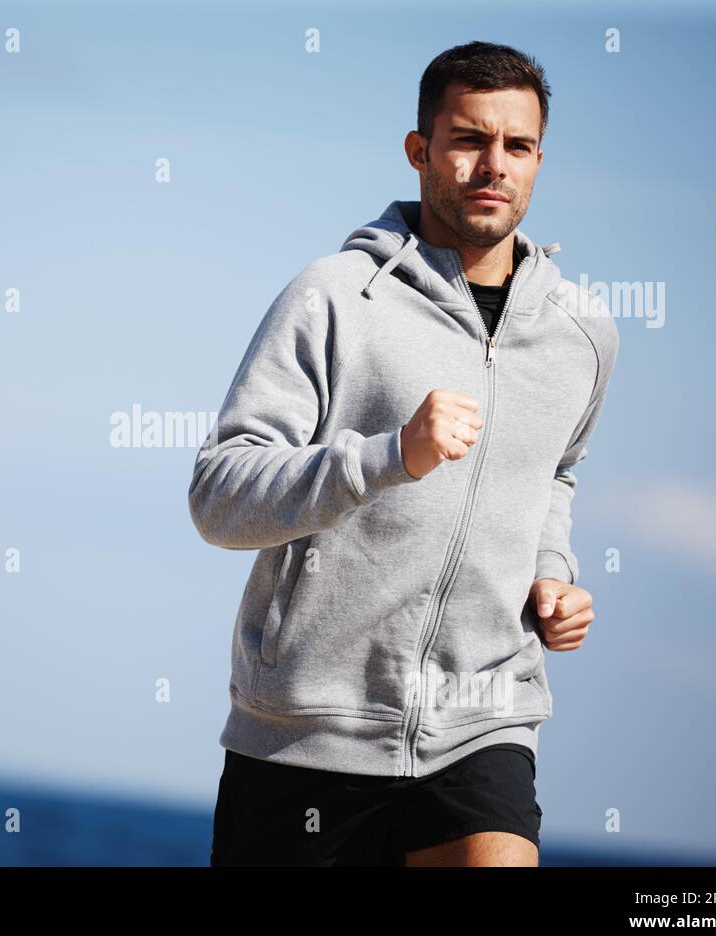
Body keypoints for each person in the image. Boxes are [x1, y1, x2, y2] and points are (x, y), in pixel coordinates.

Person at [189, 40, 619, 866]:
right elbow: (219, 494)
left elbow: (555, 474)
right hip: (309, 730)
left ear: (538, 161)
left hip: (485, 716)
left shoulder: (582, 335)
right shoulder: (335, 297)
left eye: (517, 146)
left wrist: (552, 572)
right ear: (421, 150)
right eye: (468, 139)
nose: (493, 165)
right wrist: (388, 456)